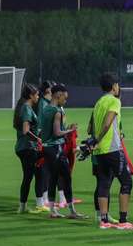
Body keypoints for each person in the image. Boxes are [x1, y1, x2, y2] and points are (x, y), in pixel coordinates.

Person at [92, 73, 133, 229]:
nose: (118, 87)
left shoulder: (98, 103)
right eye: (117, 85)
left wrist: (95, 141)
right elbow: (107, 123)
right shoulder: (114, 101)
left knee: (104, 183)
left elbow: (91, 126)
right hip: (112, 148)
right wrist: (99, 138)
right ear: (113, 86)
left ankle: (103, 221)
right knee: (126, 182)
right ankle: (123, 220)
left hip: (99, 151)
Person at [38, 83, 87, 220]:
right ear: (58, 95)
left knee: (53, 179)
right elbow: (57, 132)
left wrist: (66, 128)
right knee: (66, 178)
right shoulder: (57, 111)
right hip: (56, 148)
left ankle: (53, 210)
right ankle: (72, 211)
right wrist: (70, 130)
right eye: (64, 98)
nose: (65, 101)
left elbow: (43, 131)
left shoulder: (46, 109)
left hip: (47, 148)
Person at [14, 83, 42, 214]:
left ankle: (23, 206)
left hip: (25, 147)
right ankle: (22, 207)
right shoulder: (26, 108)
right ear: (31, 95)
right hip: (27, 148)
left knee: (29, 177)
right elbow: (26, 130)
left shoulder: (27, 107)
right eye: (36, 94)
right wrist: (37, 138)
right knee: (28, 177)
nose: (38, 96)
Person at [33, 80, 55, 211]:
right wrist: (41, 140)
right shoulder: (42, 103)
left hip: (48, 141)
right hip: (43, 141)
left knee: (47, 172)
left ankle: (45, 199)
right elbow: (41, 124)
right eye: (52, 87)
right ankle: (41, 201)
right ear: (47, 90)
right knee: (42, 171)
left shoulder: (47, 103)